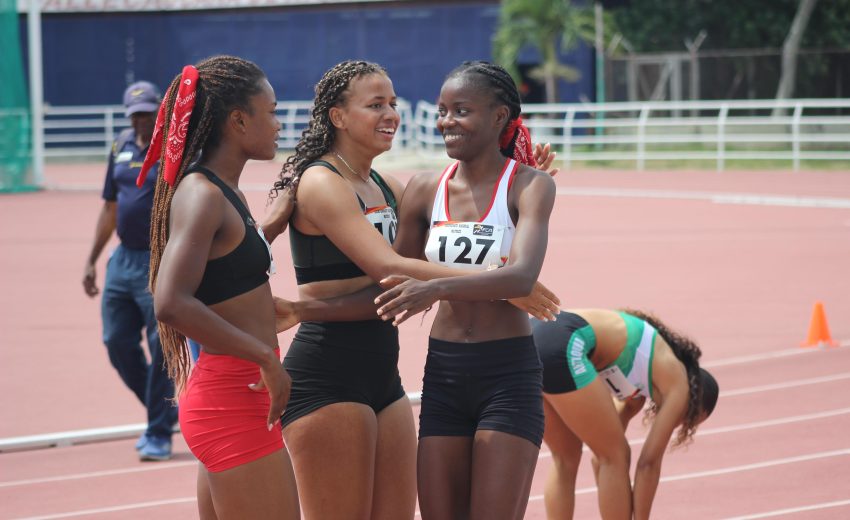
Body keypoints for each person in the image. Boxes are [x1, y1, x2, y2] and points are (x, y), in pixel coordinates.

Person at [266, 59, 559, 520]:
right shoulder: (329, 181)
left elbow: (440, 258)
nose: (392, 114)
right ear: (338, 116)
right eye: (375, 104)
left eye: (393, 103)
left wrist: (519, 181)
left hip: (399, 377)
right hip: (340, 373)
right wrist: (492, 285)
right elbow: (392, 271)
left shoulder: (390, 186)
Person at [373, 60, 557, 520]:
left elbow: (520, 279)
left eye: (461, 111)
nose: (446, 122)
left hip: (507, 375)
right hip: (445, 375)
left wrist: (433, 289)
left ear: (499, 117)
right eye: (441, 111)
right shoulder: (423, 190)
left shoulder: (531, 186)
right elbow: (396, 274)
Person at [142, 55, 299, 519]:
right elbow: (170, 302)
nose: (277, 122)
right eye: (269, 111)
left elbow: (226, 273)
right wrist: (263, 354)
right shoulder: (203, 194)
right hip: (231, 397)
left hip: (239, 396)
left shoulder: (222, 190)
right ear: (237, 120)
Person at [529, 309, 720, 520]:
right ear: (693, 399)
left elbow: (599, 458)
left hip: (531, 338)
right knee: (616, 455)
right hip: (564, 342)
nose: (677, 424)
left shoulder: (636, 393)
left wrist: (609, 460)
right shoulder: (679, 384)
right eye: (688, 419)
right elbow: (647, 464)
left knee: (566, 457)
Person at [82, 80, 176, 461]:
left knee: (160, 347)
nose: (142, 121)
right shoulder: (119, 146)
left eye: (149, 113)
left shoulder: (175, 149)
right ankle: (165, 411)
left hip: (160, 260)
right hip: (123, 260)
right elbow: (110, 207)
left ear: (161, 112)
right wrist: (91, 259)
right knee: (116, 342)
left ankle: (158, 432)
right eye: (136, 115)